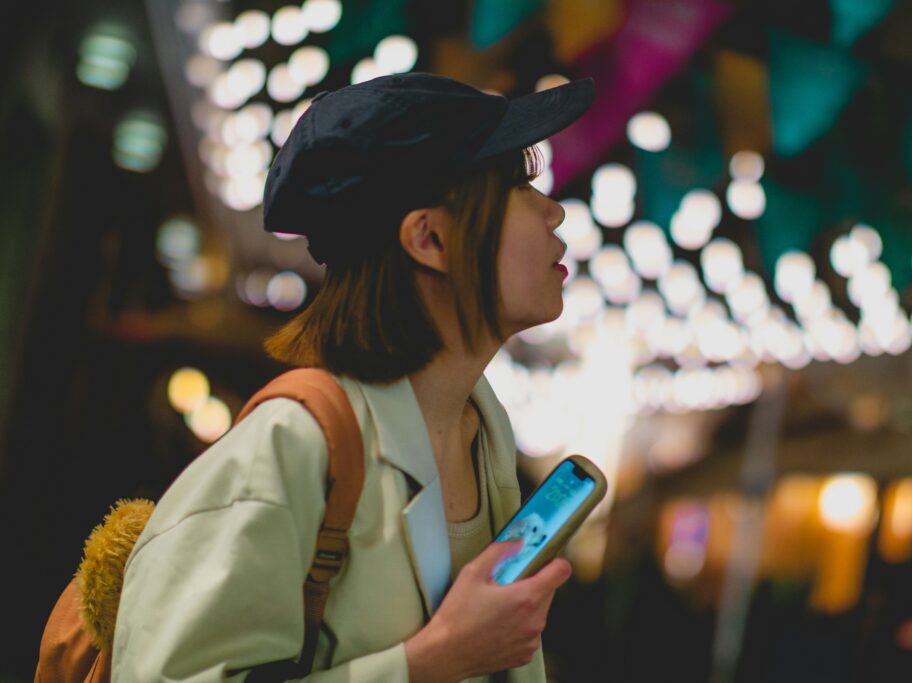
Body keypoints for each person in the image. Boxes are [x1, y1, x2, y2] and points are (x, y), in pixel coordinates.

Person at [111, 71, 595, 683]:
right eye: (515, 182)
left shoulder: (483, 435)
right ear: (429, 238)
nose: (552, 209)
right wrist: (431, 662)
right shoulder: (290, 447)